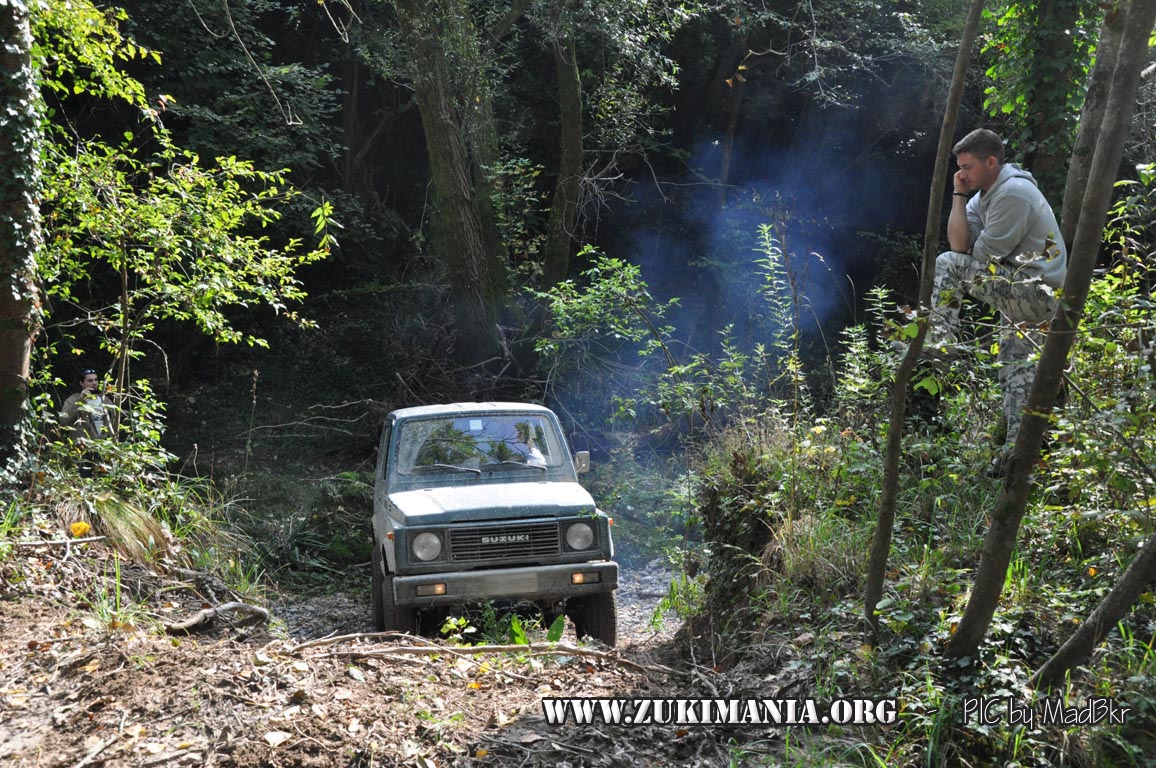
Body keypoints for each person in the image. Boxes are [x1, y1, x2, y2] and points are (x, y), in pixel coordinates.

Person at [927, 128, 1067, 450]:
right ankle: (1019, 453)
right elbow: (960, 241)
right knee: (1015, 372)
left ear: (991, 162)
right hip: (1021, 292)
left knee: (947, 264)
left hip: (1035, 294)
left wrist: (969, 247)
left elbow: (976, 256)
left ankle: (937, 350)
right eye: (959, 167)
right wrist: (959, 197)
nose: (962, 174)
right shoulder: (984, 194)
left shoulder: (1014, 193)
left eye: (968, 167)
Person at [59, 369, 111, 476]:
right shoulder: (73, 399)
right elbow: (63, 420)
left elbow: (113, 420)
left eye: (96, 380)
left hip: (102, 446)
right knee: (84, 478)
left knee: (104, 478)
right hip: (83, 446)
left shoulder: (105, 400)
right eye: (90, 380)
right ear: (82, 383)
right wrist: (80, 400)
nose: (94, 383)